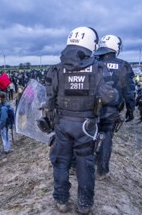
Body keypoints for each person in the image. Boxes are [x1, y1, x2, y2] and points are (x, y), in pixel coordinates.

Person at [42, 27, 111, 214]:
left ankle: (61, 200)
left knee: (61, 162)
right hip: (87, 126)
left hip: (62, 124)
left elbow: (48, 101)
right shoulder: (98, 68)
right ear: (90, 44)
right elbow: (109, 97)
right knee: (85, 164)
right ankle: (85, 203)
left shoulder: (56, 69)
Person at [93, 35, 136, 180]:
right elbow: (129, 91)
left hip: (89, 108)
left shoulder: (91, 62)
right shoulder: (123, 65)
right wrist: (130, 110)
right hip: (110, 110)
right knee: (106, 138)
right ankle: (102, 171)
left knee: (86, 135)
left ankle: (77, 166)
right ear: (116, 47)